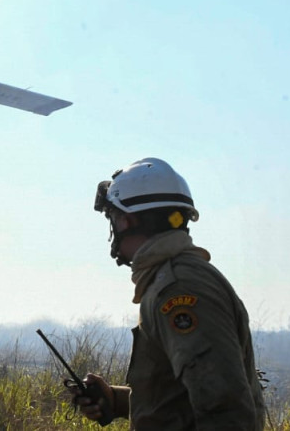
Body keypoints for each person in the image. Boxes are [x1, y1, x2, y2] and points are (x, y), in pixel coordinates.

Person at [69, 157, 265, 430]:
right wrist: (115, 400)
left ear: (128, 220)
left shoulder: (179, 288)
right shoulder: (172, 278)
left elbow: (224, 408)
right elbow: (181, 399)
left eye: (113, 217)